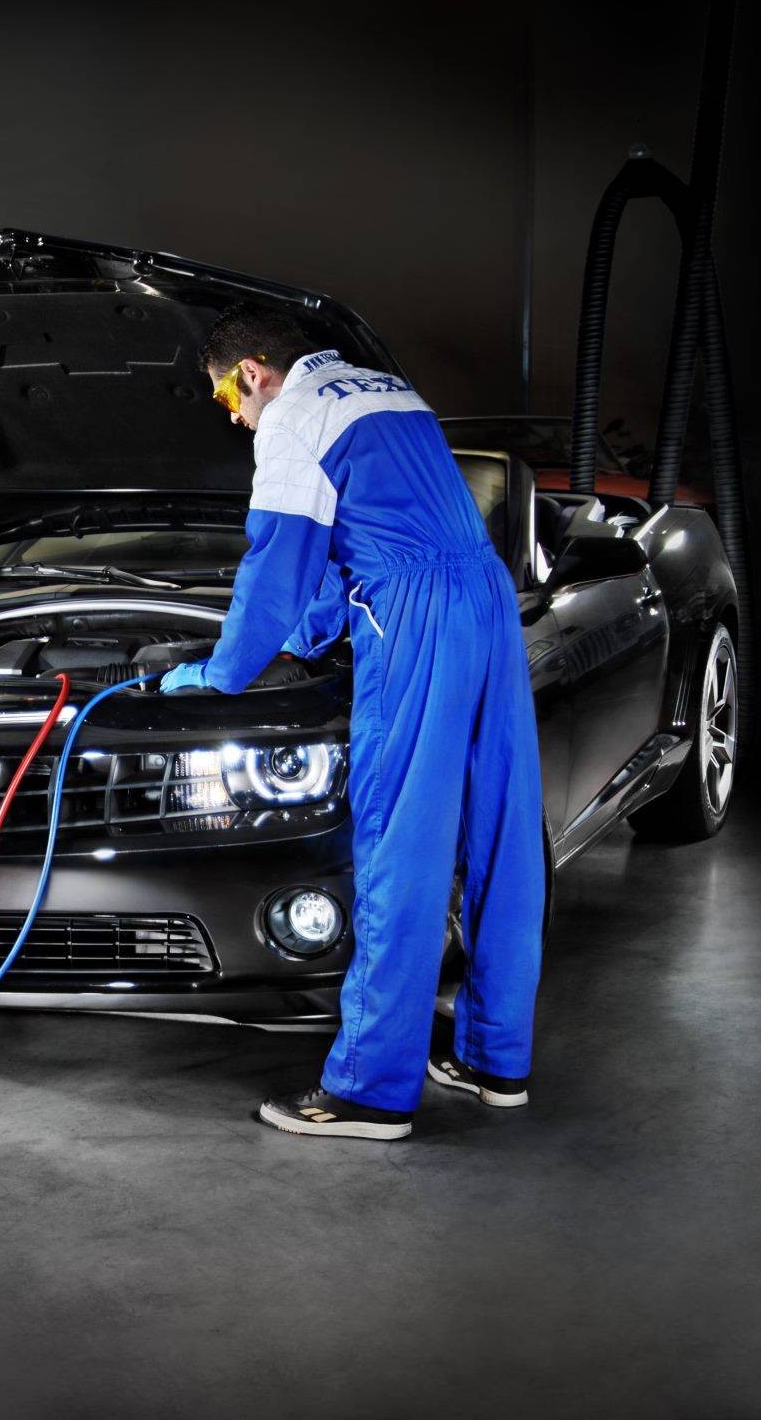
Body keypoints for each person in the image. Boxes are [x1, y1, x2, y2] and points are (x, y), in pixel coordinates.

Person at [163, 304, 547, 1140]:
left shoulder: (291, 416)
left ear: (253, 371)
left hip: (414, 617)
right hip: (486, 598)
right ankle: (495, 1059)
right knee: (504, 829)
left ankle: (372, 1090)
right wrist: (306, 636)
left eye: (226, 396)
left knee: (401, 841)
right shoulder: (387, 389)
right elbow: (362, 538)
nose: (233, 415)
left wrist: (217, 674)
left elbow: (277, 566)